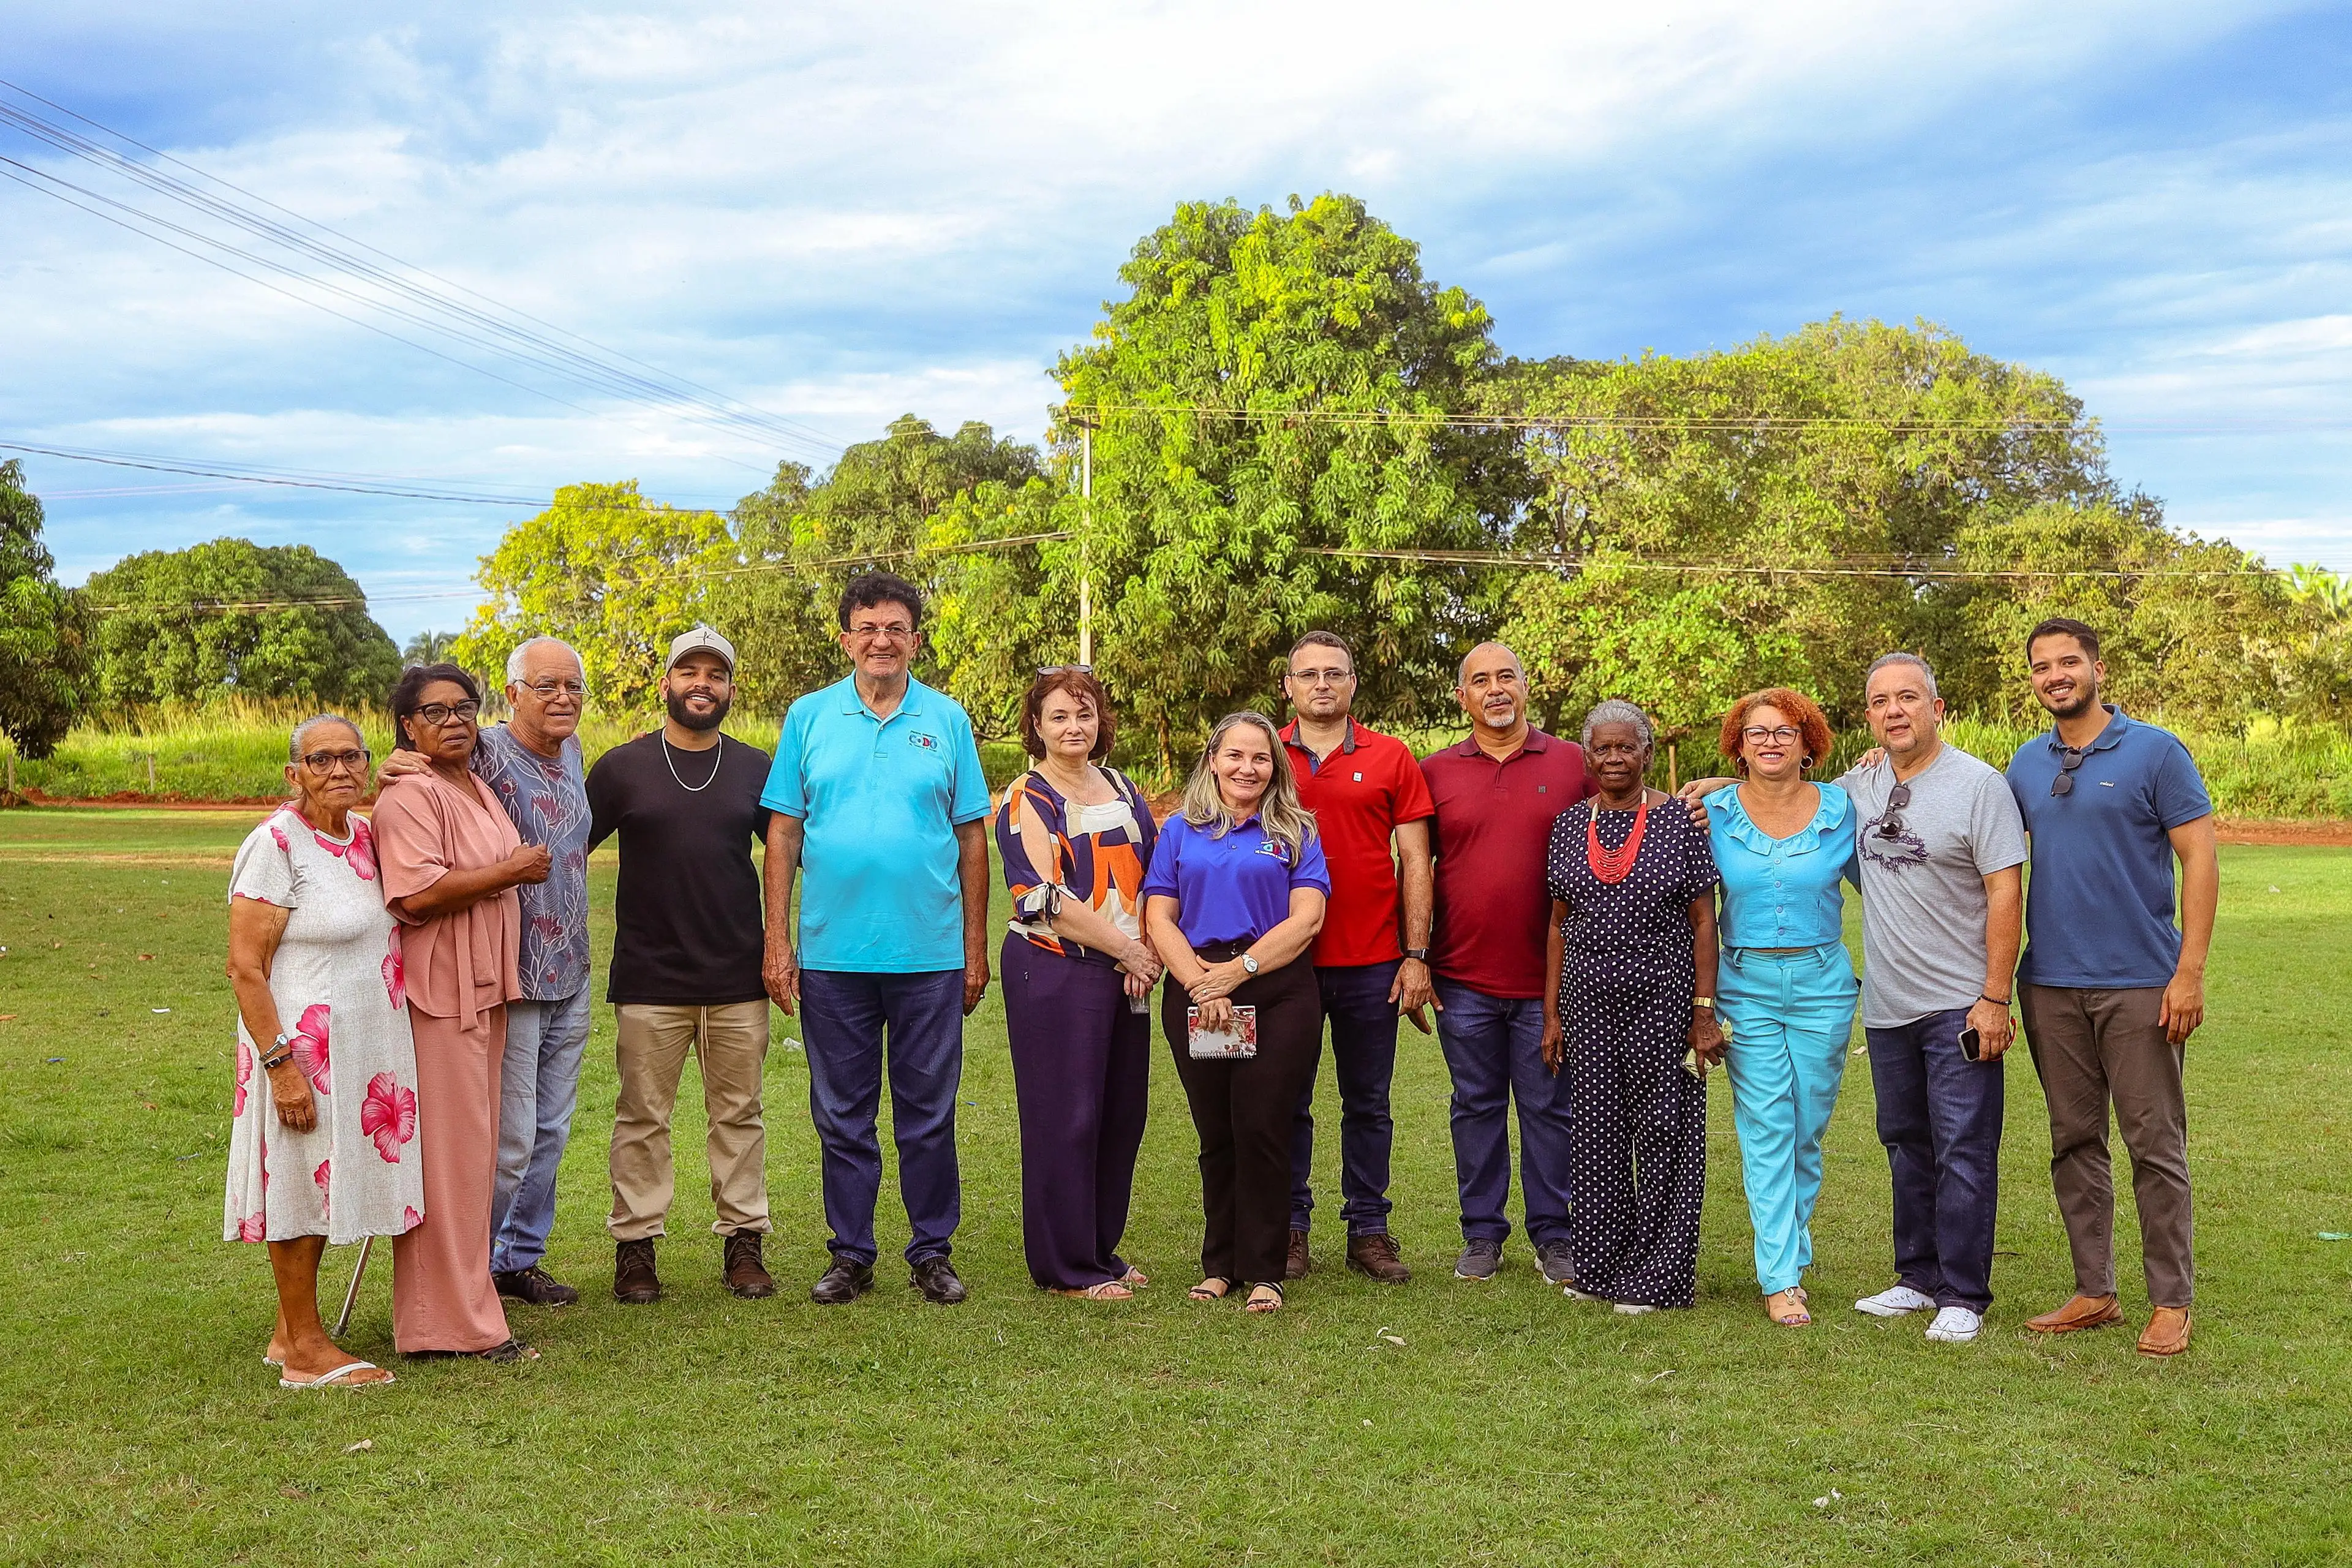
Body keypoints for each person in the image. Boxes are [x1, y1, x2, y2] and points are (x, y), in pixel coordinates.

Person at [761, 573, 993, 1307]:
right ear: (846, 639)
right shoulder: (809, 716)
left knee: (928, 1112)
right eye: (867, 628)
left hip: (929, 954)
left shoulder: (947, 719)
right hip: (834, 956)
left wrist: (976, 945)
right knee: (842, 1116)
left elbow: (972, 839)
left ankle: (931, 1252)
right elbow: (784, 833)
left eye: (895, 627)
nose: (881, 640)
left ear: (915, 639)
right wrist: (777, 942)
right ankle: (850, 1253)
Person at [2005, 618, 2218, 1358]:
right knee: (2073, 1141)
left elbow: (2201, 860)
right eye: (2042, 666)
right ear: (2031, 678)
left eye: (2069, 662)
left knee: (2154, 1143)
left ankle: (2171, 1300)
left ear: (2098, 667)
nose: (2056, 675)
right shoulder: (2025, 763)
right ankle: (2094, 1289)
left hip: (2140, 984)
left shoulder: (2156, 752)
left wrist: (2187, 971)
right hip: (2050, 986)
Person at [379, 636, 593, 1308]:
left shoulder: (575, 753)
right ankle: (474, 1266)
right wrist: (393, 764)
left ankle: (519, 1259)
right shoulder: (486, 747)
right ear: (514, 695)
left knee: (552, 1131)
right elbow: (423, 762)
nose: (562, 698)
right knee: (510, 1138)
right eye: (546, 686)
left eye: (573, 687)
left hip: (572, 970)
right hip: (509, 974)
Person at [224, 715, 424, 1389]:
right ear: (293, 772)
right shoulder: (275, 844)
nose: (339, 770)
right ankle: (307, 1352)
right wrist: (281, 1066)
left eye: (351, 757)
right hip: (303, 1051)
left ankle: (289, 1331)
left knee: (326, 1183)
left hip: (362, 1050)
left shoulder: (364, 836)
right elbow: (244, 967)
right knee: (301, 1187)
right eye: (321, 759)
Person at [587, 627, 779, 1305]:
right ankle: (636, 1250)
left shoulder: (759, 767)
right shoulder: (622, 768)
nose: (703, 683)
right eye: (689, 671)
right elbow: (563, 844)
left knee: (740, 1113)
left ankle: (743, 1243)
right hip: (650, 976)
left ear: (730, 688)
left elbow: (792, 853)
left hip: (737, 975)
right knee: (642, 1116)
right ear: (665, 682)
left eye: (716, 674)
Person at [372, 665, 547, 1360]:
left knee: (472, 1158)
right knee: (447, 1163)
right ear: (408, 726)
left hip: (480, 991)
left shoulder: (470, 784)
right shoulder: (409, 796)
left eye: (465, 707)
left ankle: (465, 1304)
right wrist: (511, 871)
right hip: (440, 998)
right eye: (435, 710)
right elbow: (415, 895)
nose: (455, 720)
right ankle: (447, 1324)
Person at [1141, 712, 1330, 1313]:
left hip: (1277, 991)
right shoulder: (1180, 831)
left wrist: (1238, 972)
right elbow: (1158, 916)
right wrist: (1203, 983)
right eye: (1236, 756)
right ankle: (1220, 1264)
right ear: (1213, 760)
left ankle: (1266, 1269)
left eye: (1262, 757)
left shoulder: (1296, 829)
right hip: (1202, 994)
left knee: (1263, 1125)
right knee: (1219, 1132)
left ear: (1275, 767)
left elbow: (1307, 919)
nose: (1248, 768)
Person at [1419, 641, 1596, 1283]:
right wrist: (1415, 958)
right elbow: (1416, 868)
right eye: (1480, 680)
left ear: (1527, 687)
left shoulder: (1574, 762)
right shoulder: (1434, 771)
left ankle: (1555, 1234)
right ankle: (1482, 1235)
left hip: (1552, 979)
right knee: (1475, 1106)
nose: (1496, 689)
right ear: (1461, 697)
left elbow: (1637, 801)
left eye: (1507, 677)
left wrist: (1712, 789)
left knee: (1551, 1107)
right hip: (1462, 976)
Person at [1540, 701, 1723, 1313]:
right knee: (1596, 1135)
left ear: (1646, 754)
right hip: (1588, 1002)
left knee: (1665, 1132)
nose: (1614, 758)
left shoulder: (1681, 823)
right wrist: (1552, 1013)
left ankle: (1658, 1276)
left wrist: (1703, 1012)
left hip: (1663, 1000)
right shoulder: (1568, 824)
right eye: (1602, 749)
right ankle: (1600, 1268)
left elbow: (1704, 921)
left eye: (1626, 748)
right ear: (1587, 757)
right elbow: (1558, 924)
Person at [993, 668, 1163, 1299]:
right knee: (1066, 1115)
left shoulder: (1120, 785)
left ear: (1101, 721)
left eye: (1084, 714)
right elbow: (1040, 897)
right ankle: (1065, 1267)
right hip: (1056, 968)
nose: (1073, 727)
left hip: (1128, 972)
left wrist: (1150, 946)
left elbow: (1155, 871)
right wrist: (1126, 948)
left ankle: (1100, 1249)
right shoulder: (1026, 797)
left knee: (1121, 1113)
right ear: (1036, 725)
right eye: (1059, 716)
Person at [1698, 688, 1861, 1327]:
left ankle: (1788, 1250)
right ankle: (1781, 1276)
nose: (1770, 741)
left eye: (1784, 731)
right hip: (1747, 985)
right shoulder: (1710, 811)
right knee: (1767, 1127)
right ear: (1739, 746)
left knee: (1807, 1130)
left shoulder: (1845, 807)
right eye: (1756, 732)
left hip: (1824, 983)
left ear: (1808, 741)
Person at [1276, 631, 1434, 1285]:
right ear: (1288, 685)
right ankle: (1288, 1227)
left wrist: (1415, 953)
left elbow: (1417, 861)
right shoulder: (1263, 754)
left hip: (1371, 959)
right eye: (1308, 674)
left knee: (1368, 1101)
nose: (1321, 684)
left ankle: (1369, 1229)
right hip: (1284, 959)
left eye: (1334, 673)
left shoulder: (1392, 756)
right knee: (1286, 1099)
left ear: (1352, 684)